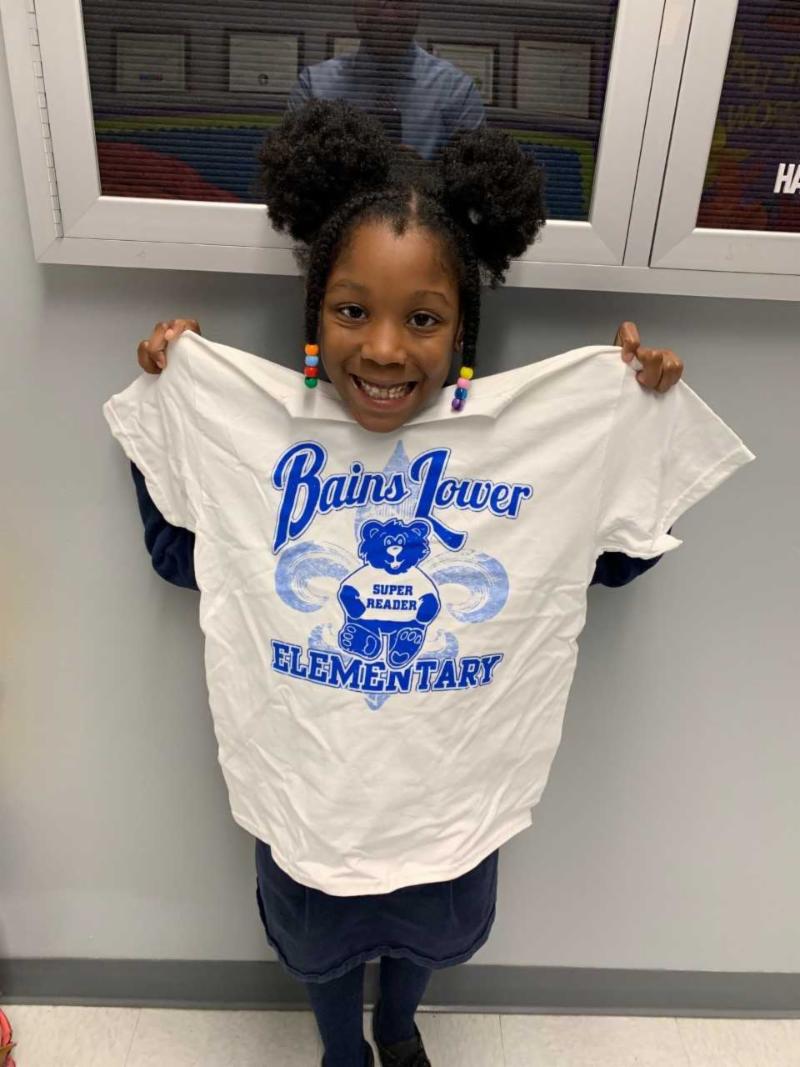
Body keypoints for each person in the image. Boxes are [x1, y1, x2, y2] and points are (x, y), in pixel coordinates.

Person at [106, 101, 751, 1067]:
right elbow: (179, 556)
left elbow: (609, 563)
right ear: (314, 318)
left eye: (422, 318)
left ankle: (399, 1028)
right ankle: (342, 1051)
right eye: (351, 310)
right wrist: (176, 409)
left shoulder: (525, 449)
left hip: (450, 794)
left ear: (462, 332)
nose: (383, 348)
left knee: (422, 938)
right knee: (325, 948)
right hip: (311, 792)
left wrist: (631, 423)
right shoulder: (256, 437)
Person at [286, 1, 485, 159]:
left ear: (418, 6)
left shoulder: (458, 91)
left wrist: (422, 177)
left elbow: (474, 185)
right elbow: (289, 177)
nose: (388, 11)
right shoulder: (313, 86)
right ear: (356, 6)